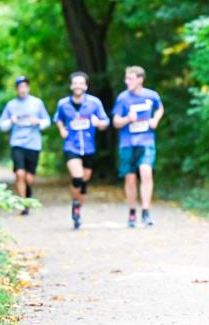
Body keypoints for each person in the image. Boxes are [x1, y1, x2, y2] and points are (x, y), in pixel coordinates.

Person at [53, 72, 109, 229]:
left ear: (85, 85)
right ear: (71, 86)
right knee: (77, 178)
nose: (78, 85)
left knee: (84, 182)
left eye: (81, 83)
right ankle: (75, 202)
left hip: (89, 147)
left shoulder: (94, 103)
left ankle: (77, 208)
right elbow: (57, 118)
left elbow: (105, 120)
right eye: (75, 83)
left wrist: (100, 123)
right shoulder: (63, 104)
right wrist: (62, 129)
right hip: (71, 146)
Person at [112, 66, 164, 228]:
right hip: (127, 143)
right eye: (126, 78)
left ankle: (146, 211)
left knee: (146, 173)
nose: (127, 81)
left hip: (146, 141)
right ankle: (132, 212)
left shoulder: (151, 95)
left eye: (130, 78)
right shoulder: (122, 98)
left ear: (140, 79)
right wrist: (128, 118)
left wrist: (155, 120)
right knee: (130, 179)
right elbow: (115, 122)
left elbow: (160, 108)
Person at [0, 75, 51, 215]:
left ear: (28, 88)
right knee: (20, 174)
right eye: (20, 87)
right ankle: (22, 203)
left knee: (29, 178)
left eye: (25, 86)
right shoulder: (11, 105)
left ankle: (27, 196)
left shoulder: (37, 103)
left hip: (33, 144)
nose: (22, 89)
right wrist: (11, 121)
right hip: (17, 143)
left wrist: (38, 122)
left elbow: (47, 121)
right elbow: (2, 125)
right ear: (16, 89)